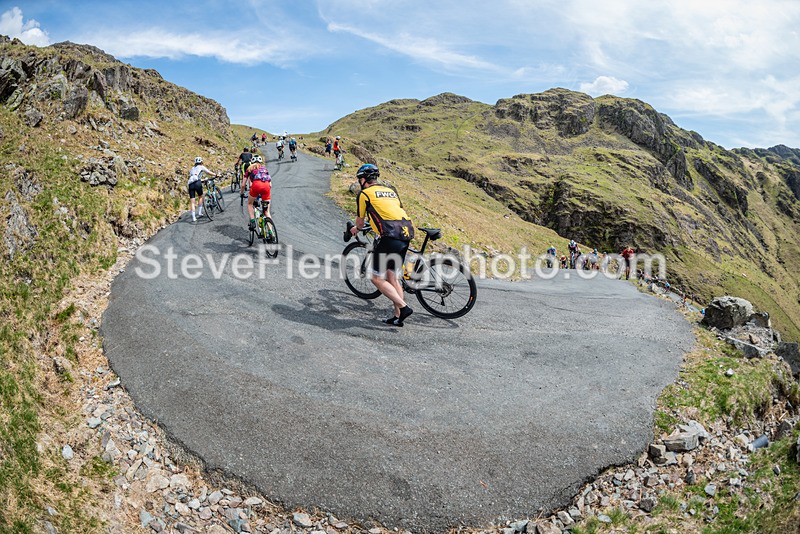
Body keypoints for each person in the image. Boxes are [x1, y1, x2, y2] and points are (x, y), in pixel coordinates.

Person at [349, 164, 415, 326]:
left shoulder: (364, 194)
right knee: (392, 277)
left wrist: (355, 229)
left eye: (360, 180)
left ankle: (403, 307)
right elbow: (391, 211)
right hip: (405, 232)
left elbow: (360, 221)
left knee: (376, 278)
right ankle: (398, 317)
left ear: (363, 179)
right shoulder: (390, 191)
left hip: (390, 236)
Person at [244, 154, 271, 228]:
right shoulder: (264, 169)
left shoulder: (249, 169)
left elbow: (243, 184)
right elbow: (270, 184)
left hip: (256, 185)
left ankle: (252, 221)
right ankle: (271, 233)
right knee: (267, 212)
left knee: (250, 204)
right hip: (266, 186)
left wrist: (241, 193)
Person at [187, 156, 217, 222]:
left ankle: (193, 217)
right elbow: (209, 172)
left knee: (192, 201)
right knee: (200, 196)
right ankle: (200, 212)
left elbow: (193, 176)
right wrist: (216, 175)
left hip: (190, 184)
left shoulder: (192, 168)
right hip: (197, 183)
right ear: (201, 162)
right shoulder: (201, 167)